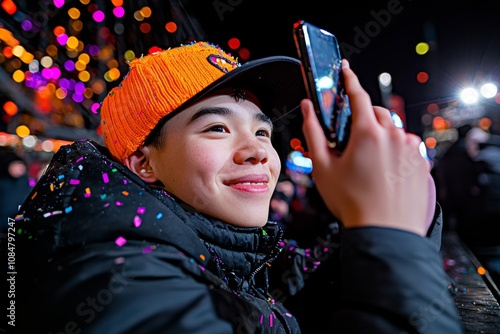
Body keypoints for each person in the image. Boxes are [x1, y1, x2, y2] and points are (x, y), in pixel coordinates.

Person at [6, 41, 462, 333]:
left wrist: (401, 219)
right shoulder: (111, 280)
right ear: (144, 161)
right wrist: (391, 238)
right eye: (218, 129)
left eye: (262, 132)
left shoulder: (228, 250)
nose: (257, 152)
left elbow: (301, 293)